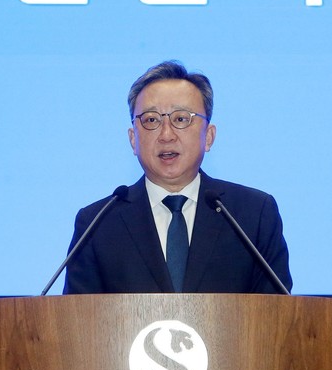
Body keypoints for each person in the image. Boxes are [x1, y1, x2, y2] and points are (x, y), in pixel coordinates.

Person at [62, 60, 292, 294]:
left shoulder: (253, 214)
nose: (166, 135)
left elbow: (278, 310)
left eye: (181, 119)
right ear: (133, 139)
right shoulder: (97, 224)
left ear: (209, 136)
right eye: (151, 120)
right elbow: (77, 314)